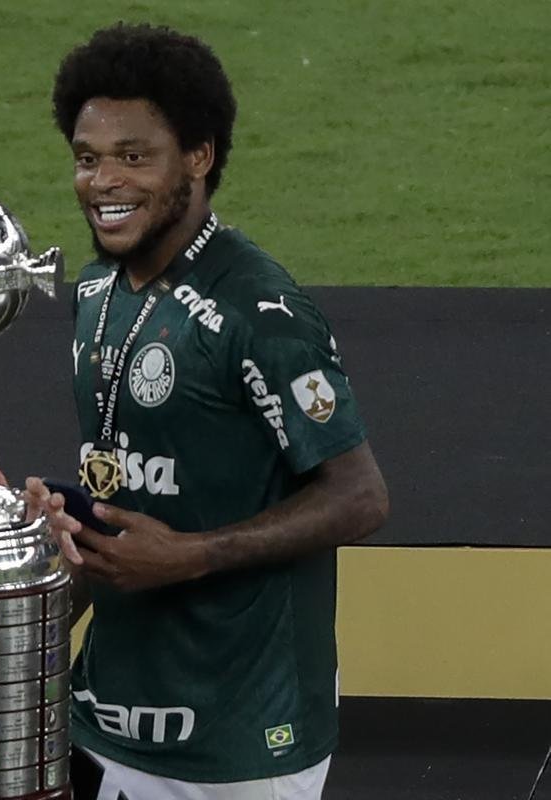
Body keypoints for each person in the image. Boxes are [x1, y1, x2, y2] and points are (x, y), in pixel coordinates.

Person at [24, 23, 390, 800]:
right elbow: (131, 482)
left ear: (198, 156)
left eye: (134, 157)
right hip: (101, 715)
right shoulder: (96, 292)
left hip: (244, 737)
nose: (103, 182)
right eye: (87, 159)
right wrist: (59, 542)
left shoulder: (260, 311)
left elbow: (360, 496)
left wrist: (192, 555)